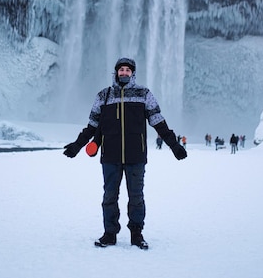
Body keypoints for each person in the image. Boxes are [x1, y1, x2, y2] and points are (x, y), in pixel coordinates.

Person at [63, 57, 187, 250]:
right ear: (116, 72)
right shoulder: (103, 96)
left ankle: (137, 235)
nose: (124, 73)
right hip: (110, 157)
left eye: (127, 70)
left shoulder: (143, 94)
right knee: (109, 197)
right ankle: (109, 234)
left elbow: (158, 122)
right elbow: (92, 126)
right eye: (121, 69)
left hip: (136, 156)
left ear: (133, 73)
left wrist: (174, 146)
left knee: (136, 197)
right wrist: (77, 146)